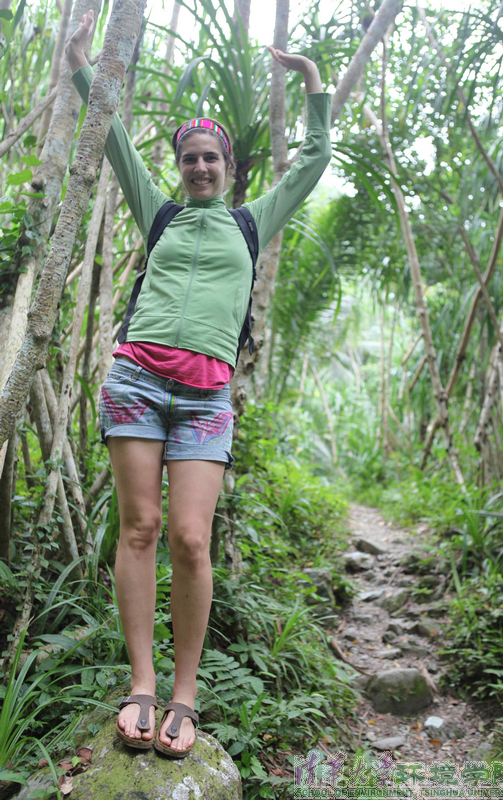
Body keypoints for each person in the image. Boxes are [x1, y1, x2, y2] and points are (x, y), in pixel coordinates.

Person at [65, 10, 331, 757]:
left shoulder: (251, 222)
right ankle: (142, 683)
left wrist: (311, 80)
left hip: (207, 396)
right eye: (190, 159)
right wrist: (82, 59)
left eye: (211, 158)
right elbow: (111, 134)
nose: (201, 168)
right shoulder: (161, 213)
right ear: (179, 166)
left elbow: (313, 160)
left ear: (229, 166)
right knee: (139, 529)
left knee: (189, 537)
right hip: (137, 381)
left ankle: (185, 694)